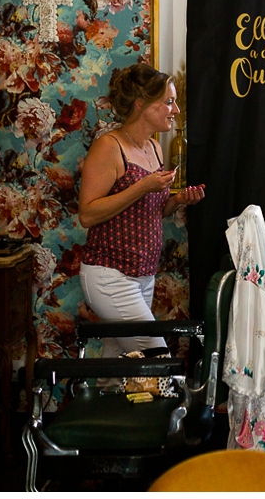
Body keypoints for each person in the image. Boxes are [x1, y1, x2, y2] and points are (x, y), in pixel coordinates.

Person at [78, 63, 205, 360]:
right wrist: (142, 187)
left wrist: (177, 202)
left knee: (118, 373)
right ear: (142, 106)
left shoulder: (154, 148)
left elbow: (150, 211)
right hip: (110, 275)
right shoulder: (109, 147)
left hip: (143, 276)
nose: (175, 110)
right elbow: (87, 214)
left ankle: (103, 405)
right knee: (155, 360)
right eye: (168, 102)